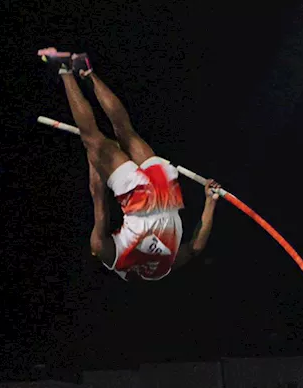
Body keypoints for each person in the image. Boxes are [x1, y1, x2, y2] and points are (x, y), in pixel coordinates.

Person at [40, 48, 220, 281]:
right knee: (93, 137)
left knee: (126, 132)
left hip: (167, 191)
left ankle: (86, 72)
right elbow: (99, 202)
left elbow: (195, 247)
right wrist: (93, 156)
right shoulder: (108, 255)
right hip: (139, 197)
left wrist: (210, 201)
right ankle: (67, 70)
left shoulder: (162, 270)